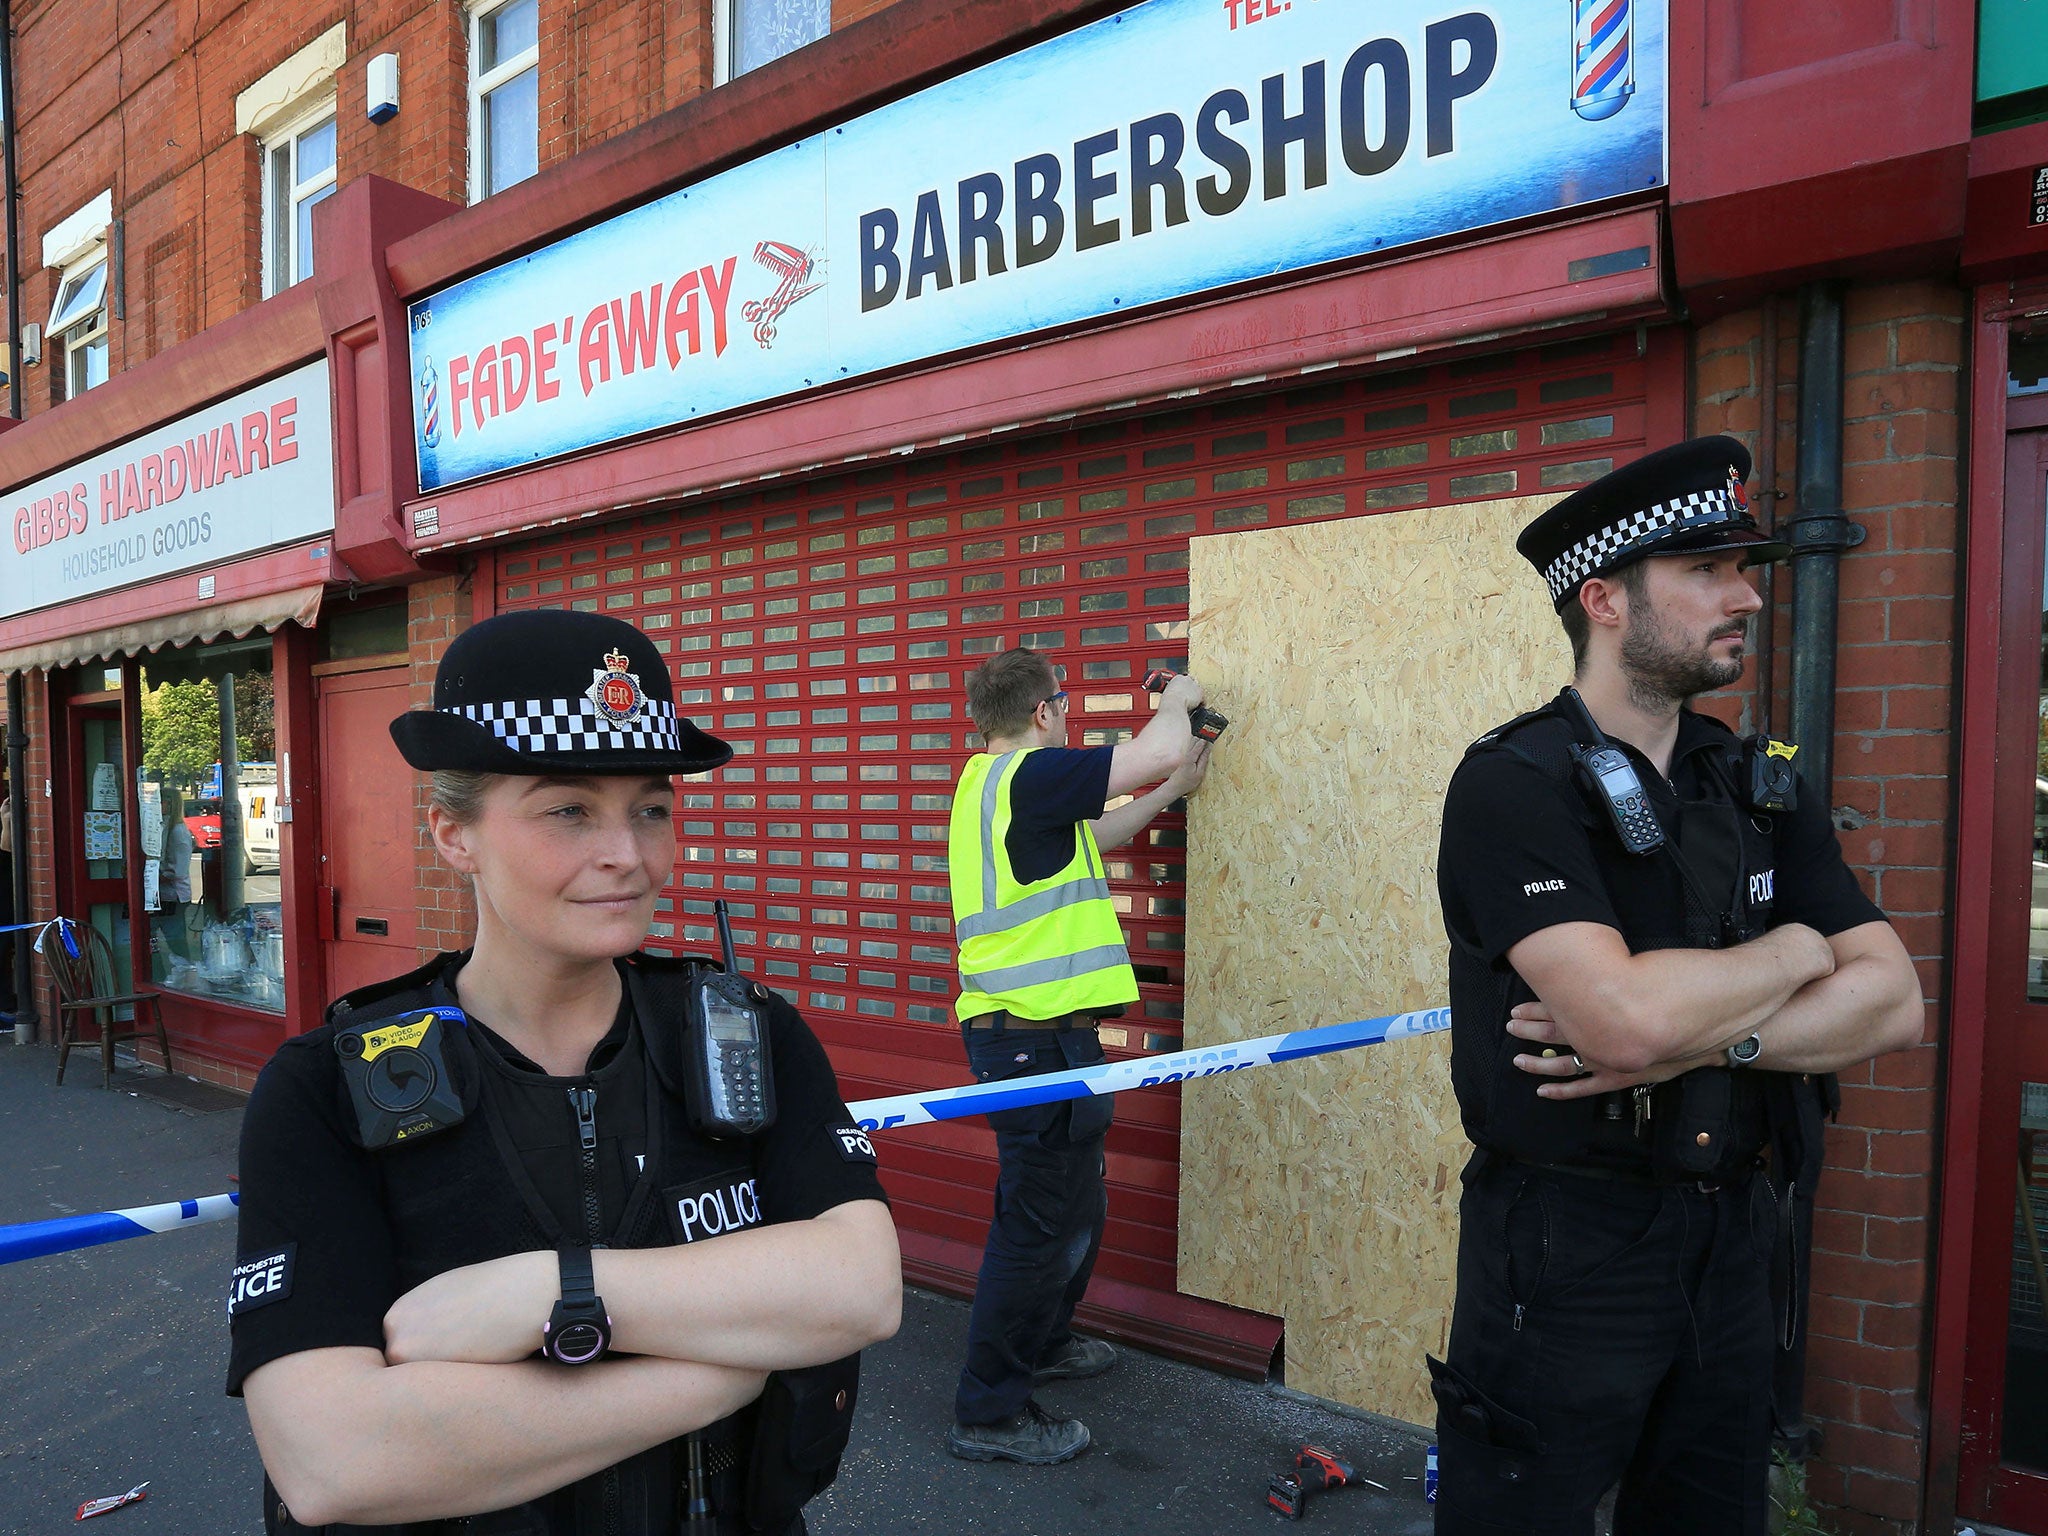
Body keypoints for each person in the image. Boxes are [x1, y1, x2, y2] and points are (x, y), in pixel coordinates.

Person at [226, 610, 902, 1535]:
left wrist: (551, 1293)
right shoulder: (326, 1091)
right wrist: (732, 1364)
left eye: (650, 809)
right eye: (568, 809)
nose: (628, 856)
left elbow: (862, 1286)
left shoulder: (747, 1036)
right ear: (453, 835)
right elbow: (332, 1458)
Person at [1429, 436, 1925, 1534]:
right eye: (1705, 571)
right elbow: (1620, 1015)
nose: (1743, 595)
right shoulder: (1512, 785)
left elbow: (1892, 1001)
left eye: (1740, 570)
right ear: (1603, 599)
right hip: (1565, 1248)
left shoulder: (1754, 783)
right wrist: (1798, 954)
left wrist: (1713, 1039)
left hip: (1733, 1236)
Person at [944, 647, 1212, 1465]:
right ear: (1043, 712)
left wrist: (1174, 791)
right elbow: (1159, 744)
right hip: (1030, 1038)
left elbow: (1097, 832)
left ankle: (1045, 1343)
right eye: (1062, 703)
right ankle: (988, 1411)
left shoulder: (990, 790)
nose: (1068, 715)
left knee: (1072, 1205)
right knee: (1033, 1226)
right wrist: (1182, 699)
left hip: (1050, 1035)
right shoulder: (1026, 776)